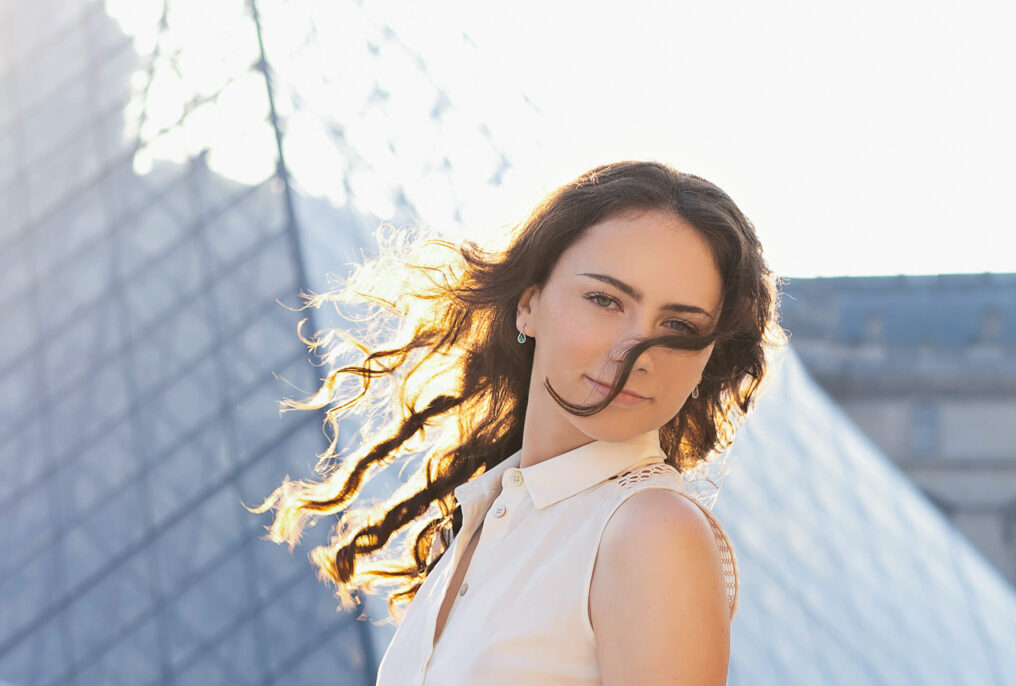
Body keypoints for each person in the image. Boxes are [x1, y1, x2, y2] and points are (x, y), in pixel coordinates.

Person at [248, 160, 785, 684]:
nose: (635, 350)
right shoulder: (483, 515)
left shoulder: (650, 532)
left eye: (679, 325)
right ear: (529, 303)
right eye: (605, 300)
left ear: (707, 358)